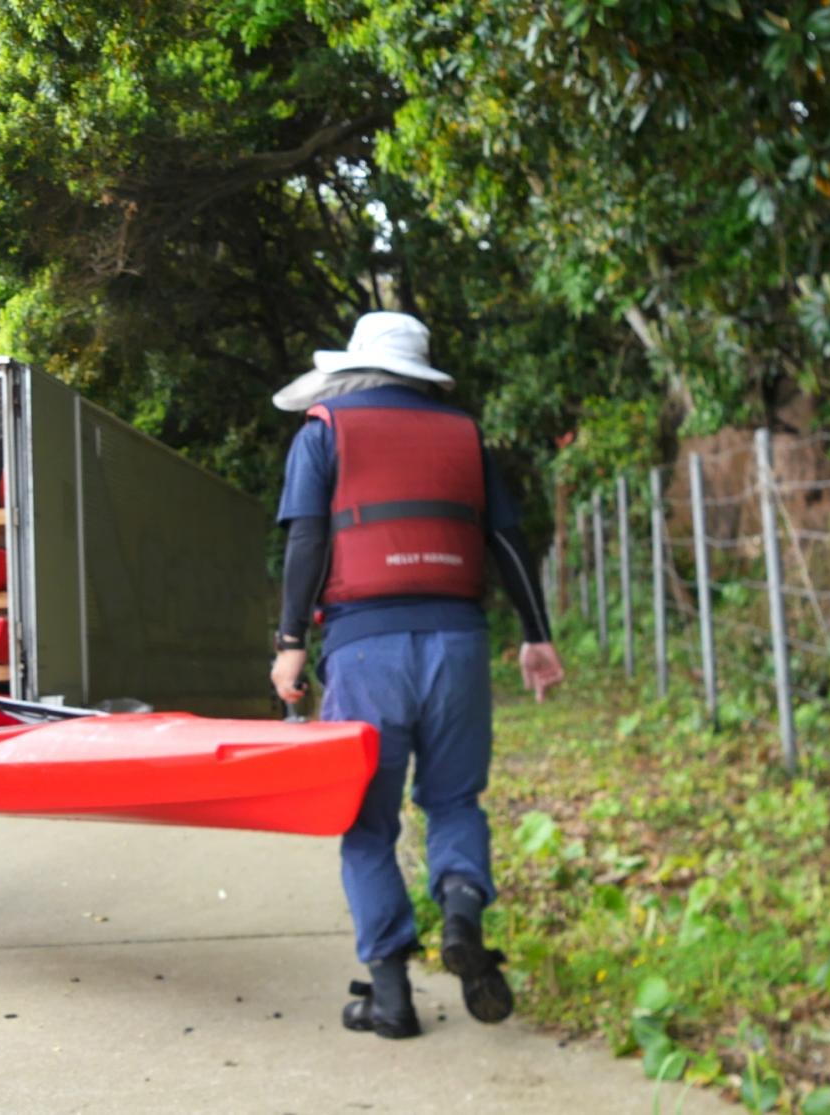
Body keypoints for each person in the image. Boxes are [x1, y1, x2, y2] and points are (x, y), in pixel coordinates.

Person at [267, 312, 564, 1038]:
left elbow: (308, 538)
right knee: (455, 798)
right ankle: (461, 907)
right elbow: (505, 539)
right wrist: (536, 636)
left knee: (368, 822)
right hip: (458, 642)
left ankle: (392, 995)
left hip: (366, 650)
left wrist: (288, 641)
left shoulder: (322, 431)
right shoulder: (463, 434)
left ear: (353, 368)